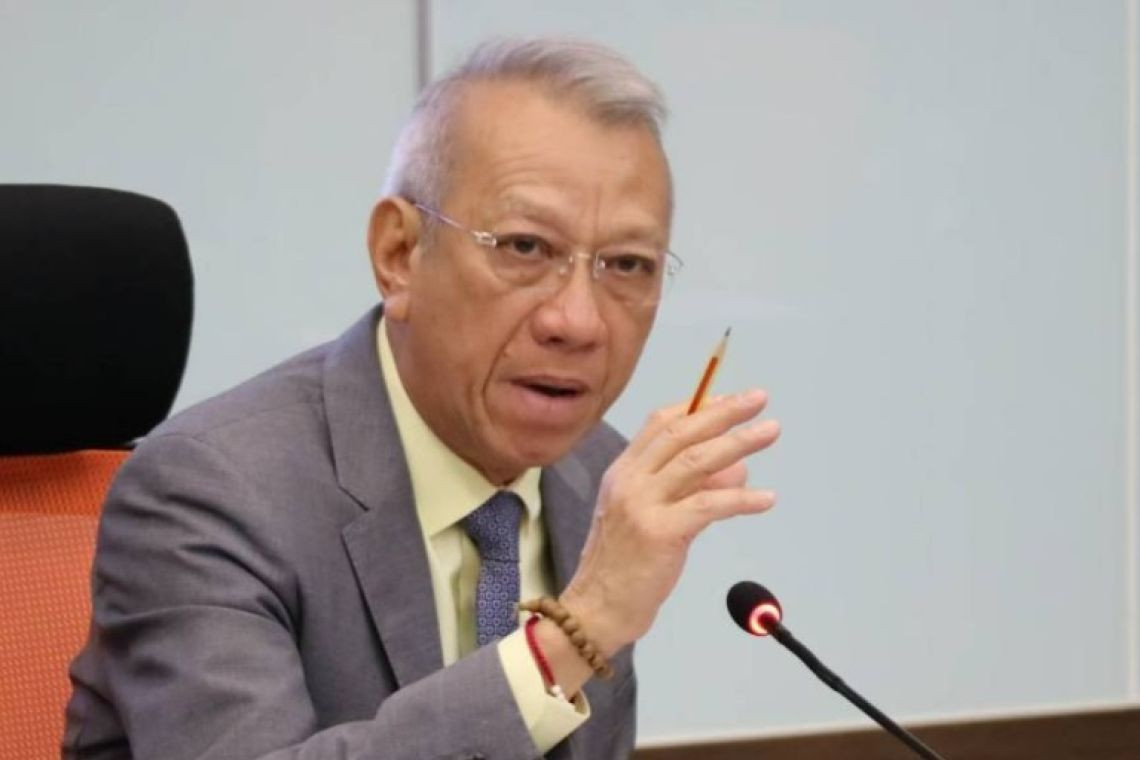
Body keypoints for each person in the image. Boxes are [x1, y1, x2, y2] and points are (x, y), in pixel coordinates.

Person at [63, 38, 780, 760]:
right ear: (399, 255)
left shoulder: (596, 475)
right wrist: (578, 630)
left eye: (627, 264)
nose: (579, 321)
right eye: (525, 248)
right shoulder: (212, 491)